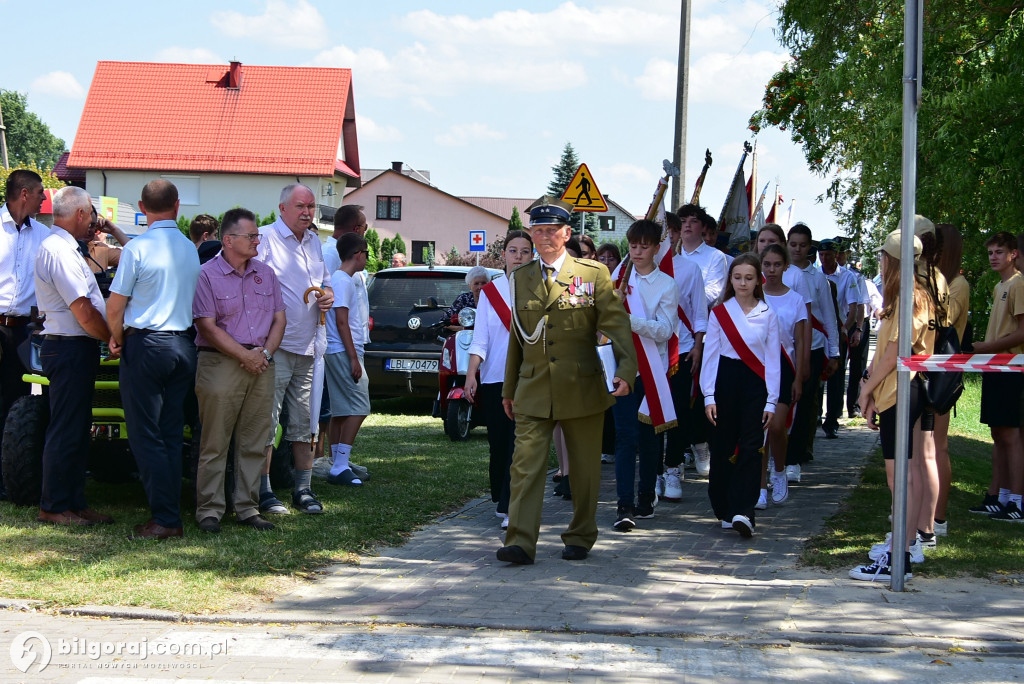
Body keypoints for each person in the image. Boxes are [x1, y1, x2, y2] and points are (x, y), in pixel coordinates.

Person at [496, 196, 636, 565]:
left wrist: (625, 371)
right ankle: (521, 542)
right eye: (537, 231)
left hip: (582, 385)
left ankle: (580, 534)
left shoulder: (592, 274)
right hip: (533, 386)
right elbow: (517, 337)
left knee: (585, 470)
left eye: (551, 231)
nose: (544, 238)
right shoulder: (520, 277)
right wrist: (509, 388)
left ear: (566, 233)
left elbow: (616, 325)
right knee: (525, 466)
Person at [107, 179, 200, 540]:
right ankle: (169, 513)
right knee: (171, 433)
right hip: (182, 344)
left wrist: (116, 338)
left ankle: (164, 518)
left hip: (146, 344)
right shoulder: (190, 248)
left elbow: (115, 305)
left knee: (146, 436)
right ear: (177, 207)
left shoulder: (137, 249)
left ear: (141, 208)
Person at [192, 208, 285, 534]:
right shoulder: (207, 274)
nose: (258, 240)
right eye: (252, 236)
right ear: (228, 240)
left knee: (254, 441)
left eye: (257, 235)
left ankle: (247, 508)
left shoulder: (266, 274)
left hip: (261, 364)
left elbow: (279, 319)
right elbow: (206, 325)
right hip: (220, 363)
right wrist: (244, 356)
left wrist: (265, 354)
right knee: (215, 442)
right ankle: (210, 511)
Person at [851, 231, 933, 582]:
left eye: (884, 256)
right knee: (905, 475)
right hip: (893, 392)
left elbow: (897, 352)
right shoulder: (901, 296)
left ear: (893, 260)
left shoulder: (910, 297)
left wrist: (866, 389)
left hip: (901, 391)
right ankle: (902, 549)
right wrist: (871, 388)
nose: (880, 262)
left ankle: (898, 556)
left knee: (899, 477)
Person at [33, 187, 113, 526]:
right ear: (80, 213)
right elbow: (82, 310)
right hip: (68, 346)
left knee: (78, 428)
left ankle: (74, 501)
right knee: (66, 428)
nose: (94, 222)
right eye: (92, 215)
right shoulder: (60, 251)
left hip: (74, 347)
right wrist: (112, 337)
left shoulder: (66, 248)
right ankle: (53, 506)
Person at [255, 184, 334, 515]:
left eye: (312, 207)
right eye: (300, 206)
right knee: (267, 424)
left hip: (310, 348)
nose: (307, 212)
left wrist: (328, 294)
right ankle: (263, 491)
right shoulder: (263, 238)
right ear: (282, 208)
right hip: (276, 348)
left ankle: (303, 489)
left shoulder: (314, 241)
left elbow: (325, 281)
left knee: (305, 421)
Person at [701, 254, 780, 538]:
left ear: (758, 280)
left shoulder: (767, 314)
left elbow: (773, 361)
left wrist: (772, 399)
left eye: (749, 277)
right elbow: (710, 358)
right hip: (725, 380)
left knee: (751, 445)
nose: (743, 283)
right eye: (737, 277)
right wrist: (708, 396)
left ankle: (744, 511)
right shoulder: (719, 313)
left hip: (755, 384)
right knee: (722, 446)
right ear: (730, 280)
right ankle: (724, 506)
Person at [611, 219, 678, 531]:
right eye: (633, 245)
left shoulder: (666, 284)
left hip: (652, 369)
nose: (637, 251)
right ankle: (623, 502)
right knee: (625, 436)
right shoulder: (618, 277)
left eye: (644, 246)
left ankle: (646, 496)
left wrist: (629, 319)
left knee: (650, 439)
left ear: (656, 248)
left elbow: (664, 331)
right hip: (622, 367)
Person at [464, 230, 534, 529]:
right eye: (513, 250)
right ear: (503, 255)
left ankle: (510, 506)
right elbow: (480, 338)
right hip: (495, 378)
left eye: (525, 251)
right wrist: (471, 374)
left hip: (529, 378)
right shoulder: (491, 293)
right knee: (499, 443)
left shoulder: (539, 288)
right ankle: (500, 497)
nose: (519, 256)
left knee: (519, 446)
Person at [967, 232, 1024, 522]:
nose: (993, 257)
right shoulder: (999, 285)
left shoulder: (1018, 284)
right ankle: (1000, 497)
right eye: (990, 252)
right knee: (998, 433)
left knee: (1011, 435)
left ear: (1013, 254)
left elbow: (1022, 332)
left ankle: (1017, 500)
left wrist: (986, 347)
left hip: (1011, 367)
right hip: (994, 366)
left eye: (999, 252)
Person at [1, 169, 48, 498]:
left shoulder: (43, 235)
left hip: (24, 331)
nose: (45, 199)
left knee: (14, 400)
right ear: (24, 194)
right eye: (40, 193)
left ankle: (8, 477)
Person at [675, 204, 728, 476]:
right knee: (677, 398)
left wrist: (675, 296)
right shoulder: (667, 256)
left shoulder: (715, 258)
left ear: (702, 227)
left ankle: (700, 443)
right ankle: (679, 450)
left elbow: (713, 295)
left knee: (700, 393)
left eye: (693, 221)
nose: (687, 226)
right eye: (682, 221)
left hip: (703, 334)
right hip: (668, 335)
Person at [785, 223, 840, 483]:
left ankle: (795, 457)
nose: (797, 249)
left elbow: (828, 316)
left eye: (802, 245)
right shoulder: (778, 271)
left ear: (810, 248)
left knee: (805, 404)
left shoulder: (818, 278)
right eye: (793, 244)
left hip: (813, 346)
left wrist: (835, 352)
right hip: (783, 348)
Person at [663, 211, 708, 501]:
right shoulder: (636, 268)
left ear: (678, 234)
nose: (665, 237)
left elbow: (700, 313)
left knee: (678, 413)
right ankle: (654, 471)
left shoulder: (690, 269)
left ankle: (672, 467)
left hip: (680, 351)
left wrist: (698, 346)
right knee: (651, 415)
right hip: (647, 353)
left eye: (669, 231)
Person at [759, 243, 807, 508]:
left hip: (785, 367)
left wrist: (799, 377)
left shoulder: (795, 300)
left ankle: (779, 473)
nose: (772, 270)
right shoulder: (754, 297)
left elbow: (800, 342)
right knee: (760, 428)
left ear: (786, 266)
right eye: (767, 264)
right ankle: (759, 485)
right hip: (758, 368)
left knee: (777, 426)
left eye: (777, 264)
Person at [324, 232, 372, 487]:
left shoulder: (341, 279)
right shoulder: (342, 281)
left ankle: (336, 464)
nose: (367, 259)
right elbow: (341, 321)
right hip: (343, 351)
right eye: (367, 254)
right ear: (358, 254)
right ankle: (340, 464)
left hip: (337, 350)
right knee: (360, 406)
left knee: (341, 410)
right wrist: (354, 359)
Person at [933, 223, 968, 535]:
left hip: (943, 370)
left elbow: (944, 320)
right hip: (928, 367)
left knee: (938, 445)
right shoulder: (940, 281)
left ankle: (939, 516)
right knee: (925, 446)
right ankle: (924, 511)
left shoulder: (957, 283)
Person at [818, 238, 860, 438]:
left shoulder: (847, 277)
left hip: (839, 328)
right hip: (819, 331)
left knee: (836, 377)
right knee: (817, 375)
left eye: (828, 255)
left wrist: (846, 328)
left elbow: (853, 308)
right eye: (822, 255)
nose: (824, 258)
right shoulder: (816, 275)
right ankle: (815, 414)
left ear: (836, 255)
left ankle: (832, 420)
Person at [324, 204, 367, 275]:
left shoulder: (348, 252)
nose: (364, 232)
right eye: (365, 227)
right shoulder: (329, 254)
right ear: (357, 229)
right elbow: (328, 285)